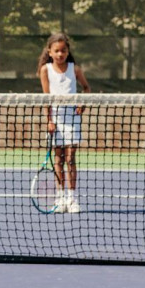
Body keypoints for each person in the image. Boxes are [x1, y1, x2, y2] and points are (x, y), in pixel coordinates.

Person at [37, 32, 91, 213]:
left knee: (70, 159)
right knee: (58, 159)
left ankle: (72, 198)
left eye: (64, 51)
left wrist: (82, 103)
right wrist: (49, 121)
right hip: (56, 119)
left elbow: (86, 88)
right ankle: (60, 198)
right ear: (50, 52)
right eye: (57, 51)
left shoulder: (74, 69)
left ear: (68, 51)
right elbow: (46, 97)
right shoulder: (45, 70)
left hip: (72, 119)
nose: (60, 54)